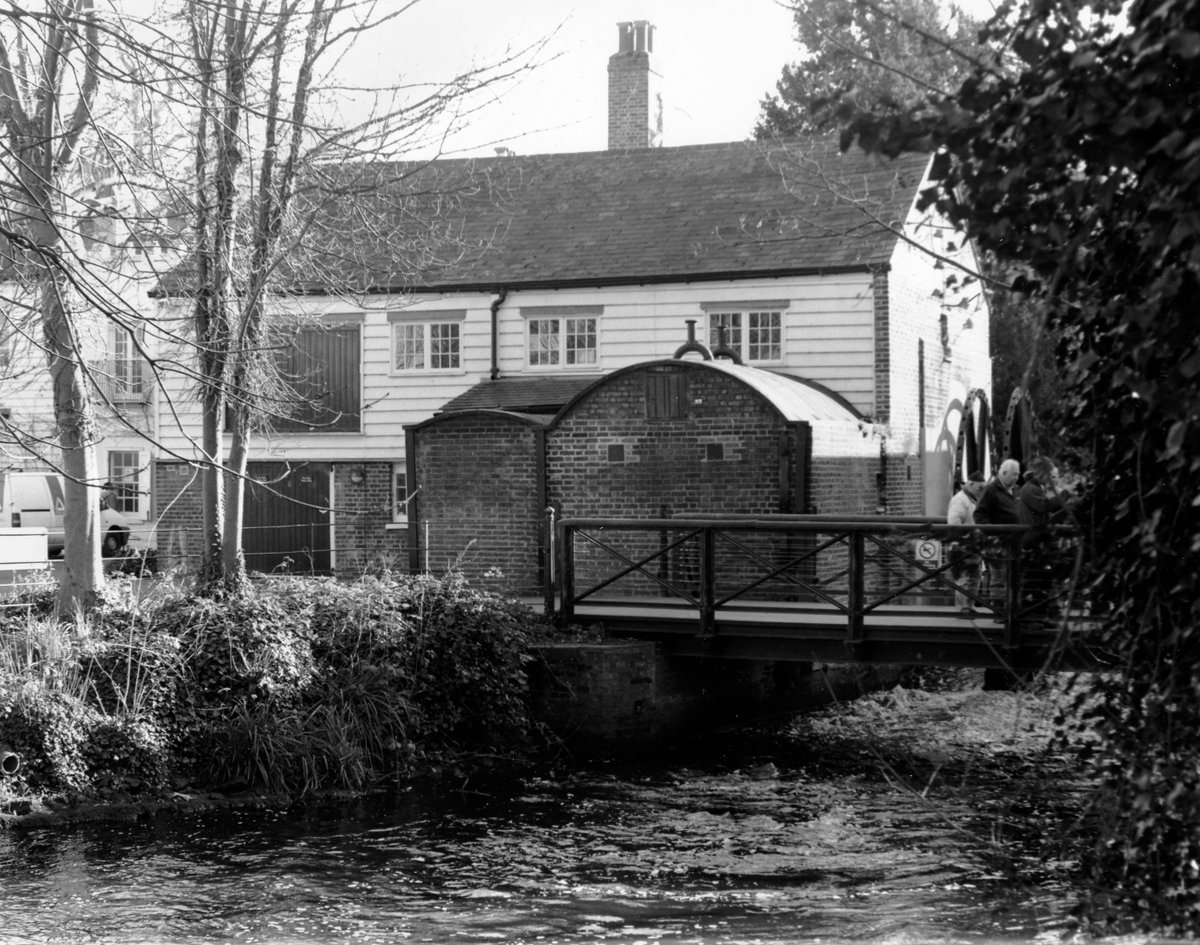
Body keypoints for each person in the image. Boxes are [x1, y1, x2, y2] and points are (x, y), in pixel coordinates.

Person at [1017, 456, 1076, 615]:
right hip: (1033, 539)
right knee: (1034, 580)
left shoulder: (1034, 488)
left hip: (1036, 538)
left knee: (1039, 580)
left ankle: (1037, 615)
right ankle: (1030, 617)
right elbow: (1044, 506)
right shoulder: (1031, 489)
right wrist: (1066, 494)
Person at [974, 459, 1021, 608]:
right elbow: (979, 515)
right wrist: (992, 534)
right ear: (1004, 473)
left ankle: (1012, 610)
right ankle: (999, 611)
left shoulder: (1016, 490)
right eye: (1014, 474)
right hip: (998, 542)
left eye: (1018, 474)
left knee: (1013, 578)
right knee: (999, 578)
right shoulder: (991, 490)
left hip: (1014, 541)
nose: (1016, 478)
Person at [946, 471, 986, 616]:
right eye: (980, 487)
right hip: (963, 545)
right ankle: (963, 608)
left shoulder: (972, 499)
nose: (981, 490)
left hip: (973, 545)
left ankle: (969, 606)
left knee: (975, 576)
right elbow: (954, 522)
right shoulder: (960, 500)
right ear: (971, 484)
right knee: (964, 578)